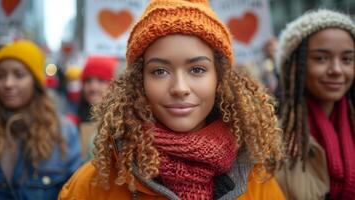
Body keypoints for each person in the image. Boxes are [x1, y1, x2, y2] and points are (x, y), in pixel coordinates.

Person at [59, 0, 285, 199]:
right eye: (160, 71)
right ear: (139, 81)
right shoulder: (91, 185)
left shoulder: (259, 181)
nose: (179, 88)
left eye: (197, 69)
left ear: (220, 77)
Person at [275, 9, 355, 200]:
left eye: (347, 59)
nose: (336, 69)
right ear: (294, 66)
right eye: (321, 58)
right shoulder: (270, 138)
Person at [0, 40, 83, 199]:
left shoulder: (64, 133)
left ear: (35, 82)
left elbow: (75, 192)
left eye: (19, 75)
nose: (8, 83)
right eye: (0, 75)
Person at [77, 55, 117, 160]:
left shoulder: (124, 125)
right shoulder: (74, 122)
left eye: (101, 80)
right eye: (88, 81)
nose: (93, 87)